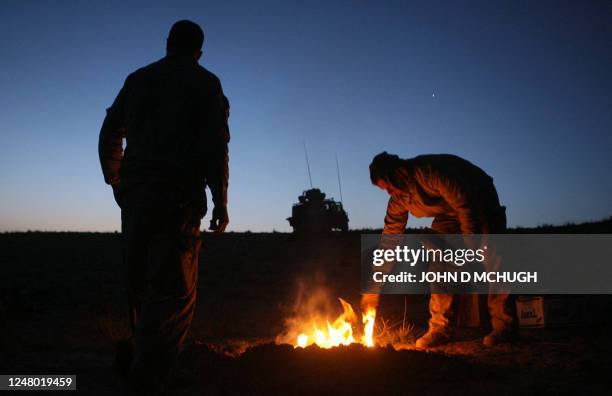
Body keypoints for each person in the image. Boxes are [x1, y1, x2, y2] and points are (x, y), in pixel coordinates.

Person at [98, 20, 230, 394]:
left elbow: (109, 132)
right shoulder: (206, 84)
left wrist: (118, 181)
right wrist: (220, 200)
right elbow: (215, 147)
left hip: (137, 201)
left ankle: (140, 356)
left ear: (168, 44)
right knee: (174, 295)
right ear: (199, 51)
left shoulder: (138, 79)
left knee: (140, 285)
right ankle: (148, 380)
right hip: (177, 200)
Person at [363, 152, 512, 348]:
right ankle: (440, 329)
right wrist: (374, 288)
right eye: (385, 190)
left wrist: (471, 246)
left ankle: (504, 326)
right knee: (440, 265)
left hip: (478, 198)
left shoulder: (430, 173)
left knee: (491, 253)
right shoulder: (399, 198)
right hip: (448, 213)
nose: (389, 193)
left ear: (397, 174)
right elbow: (390, 239)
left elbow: (464, 204)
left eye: (389, 187)